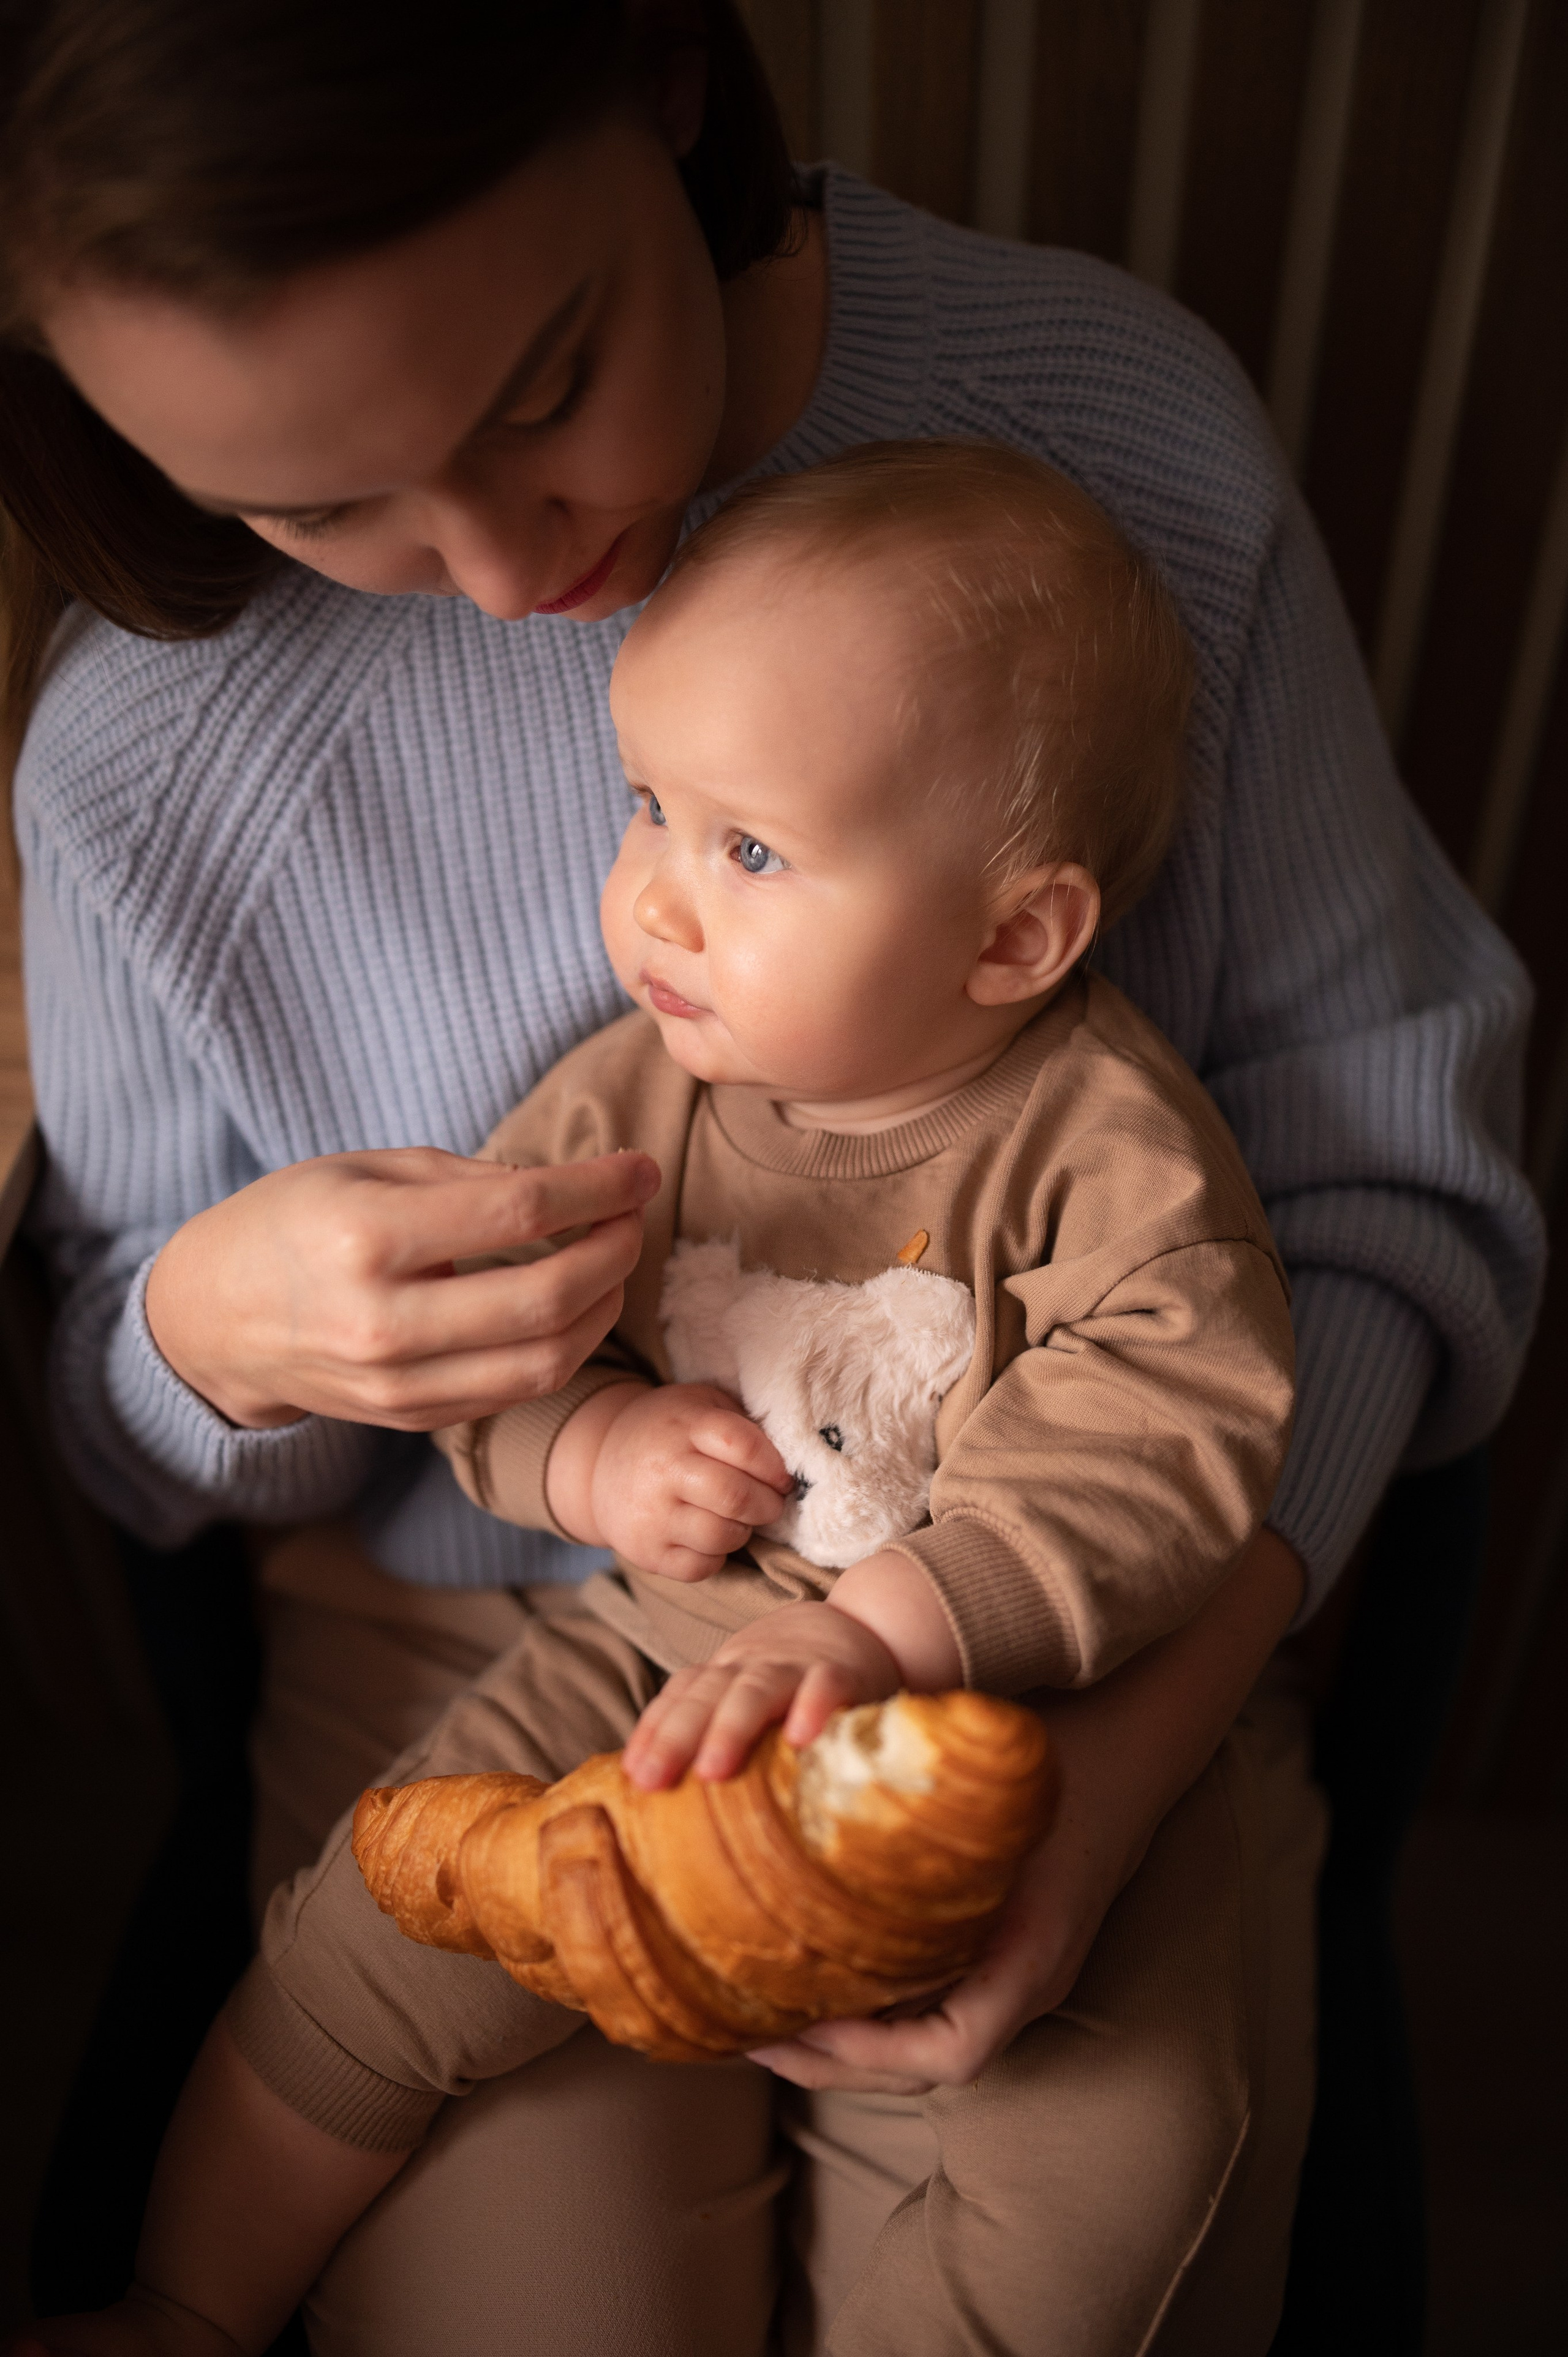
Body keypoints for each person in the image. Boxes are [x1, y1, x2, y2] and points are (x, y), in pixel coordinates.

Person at [0, 2, 1539, 2350]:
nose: (519, 580)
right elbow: (138, 1446)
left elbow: (1368, 1196)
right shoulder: (135, 767)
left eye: (542, 385)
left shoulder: (1117, 456)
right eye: (315, 503)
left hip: (1073, 1631)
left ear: (658, 66)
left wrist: (1116, 1756)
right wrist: (213, 1332)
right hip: (473, 1630)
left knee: (1106, 2230)